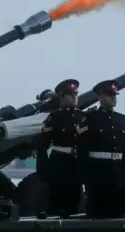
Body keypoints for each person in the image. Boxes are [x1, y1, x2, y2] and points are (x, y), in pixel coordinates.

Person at [78, 79, 125, 217]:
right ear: (100, 96)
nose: (114, 98)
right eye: (109, 95)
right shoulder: (89, 119)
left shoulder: (122, 120)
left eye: (114, 95)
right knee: (97, 214)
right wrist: (85, 177)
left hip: (118, 174)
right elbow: (82, 149)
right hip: (97, 175)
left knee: (118, 214)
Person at [36, 79, 84, 217]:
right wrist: (43, 170)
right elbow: (43, 145)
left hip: (76, 164)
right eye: (70, 94)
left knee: (75, 201)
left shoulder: (82, 117)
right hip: (59, 163)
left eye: (76, 94)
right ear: (62, 97)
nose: (75, 97)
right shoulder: (54, 118)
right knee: (57, 201)